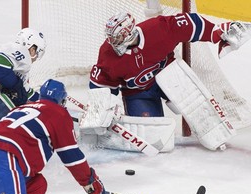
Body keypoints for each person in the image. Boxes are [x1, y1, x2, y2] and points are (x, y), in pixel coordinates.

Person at [83, 11, 248, 151]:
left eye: (118, 38)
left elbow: (190, 23)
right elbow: (101, 83)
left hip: (170, 75)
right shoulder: (107, 54)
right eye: (113, 38)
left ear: (129, 34)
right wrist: (105, 108)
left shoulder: (157, 29)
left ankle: (217, 135)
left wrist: (216, 32)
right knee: (154, 139)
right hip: (138, 92)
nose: (113, 43)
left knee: (197, 106)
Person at [0, 79, 105, 194]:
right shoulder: (59, 113)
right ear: (62, 100)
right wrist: (89, 182)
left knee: (36, 184)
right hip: (4, 157)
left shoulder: (22, 107)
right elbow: (71, 155)